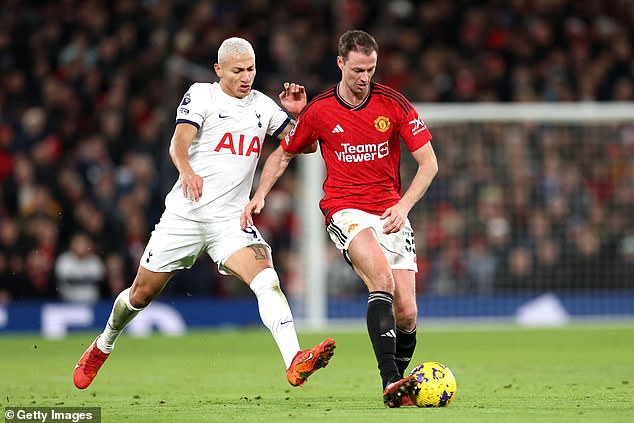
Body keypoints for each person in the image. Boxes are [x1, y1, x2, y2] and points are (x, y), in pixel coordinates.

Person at [73, 37, 335, 390]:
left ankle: (294, 359)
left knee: (267, 279)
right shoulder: (202, 95)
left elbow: (307, 145)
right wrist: (187, 170)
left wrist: (301, 116)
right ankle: (102, 345)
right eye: (238, 70)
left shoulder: (264, 106)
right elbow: (178, 142)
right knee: (140, 295)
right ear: (219, 70)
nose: (246, 77)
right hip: (185, 216)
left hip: (231, 222)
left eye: (252, 69)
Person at [241, 30, 438, 407]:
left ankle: (396, 389)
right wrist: (260, 193)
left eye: (371, 70)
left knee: (408, 313)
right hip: (344, 209)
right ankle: (391, 380)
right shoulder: (320, 110)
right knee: (380, 277)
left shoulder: (393, 103)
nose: (364, 78)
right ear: (341, 63)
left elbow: (429, 163)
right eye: (358, 70)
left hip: (391, 211)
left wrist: (404, 207)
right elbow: (284, 154)